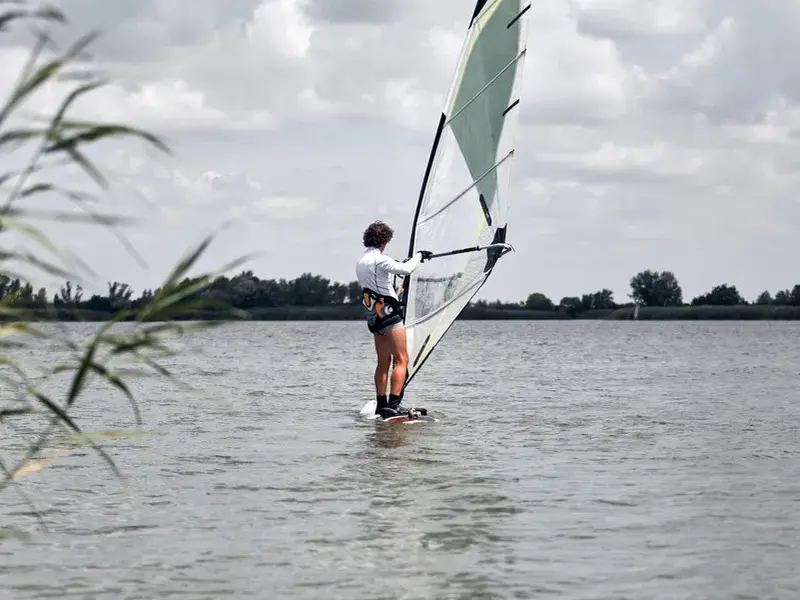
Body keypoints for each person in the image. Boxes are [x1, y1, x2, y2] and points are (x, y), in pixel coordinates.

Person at [356, 220, 432, 418]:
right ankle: (394, 404)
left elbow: (385, 279)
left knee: (383, 361)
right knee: (402, 359)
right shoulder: (380, 260)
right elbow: (407, 271)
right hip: (389, 314)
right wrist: (419, 256)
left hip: (373, 316)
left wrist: (400, 263)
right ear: (384, 240)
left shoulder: (362, 262)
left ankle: (381, 404)